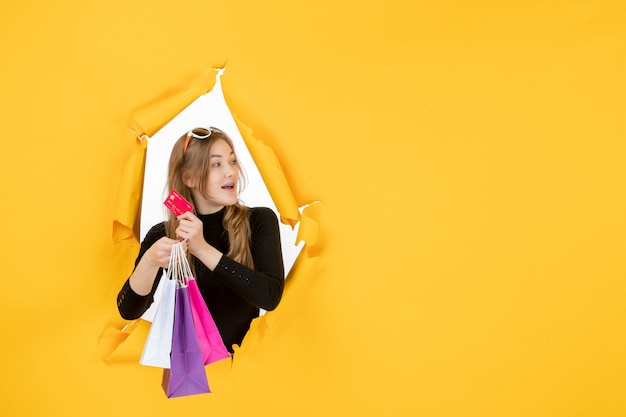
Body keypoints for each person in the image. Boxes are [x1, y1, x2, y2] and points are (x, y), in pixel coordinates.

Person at [117, 127, 285, 354]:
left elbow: (270, 296)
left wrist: (202, 248)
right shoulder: (163, 234)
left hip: (245, 370)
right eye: (216, 164)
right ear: (189, 177)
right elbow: (128, 311)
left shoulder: (259, 221)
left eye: (232, 161)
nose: (230, 172)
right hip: (191, 377)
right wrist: (149, 261)